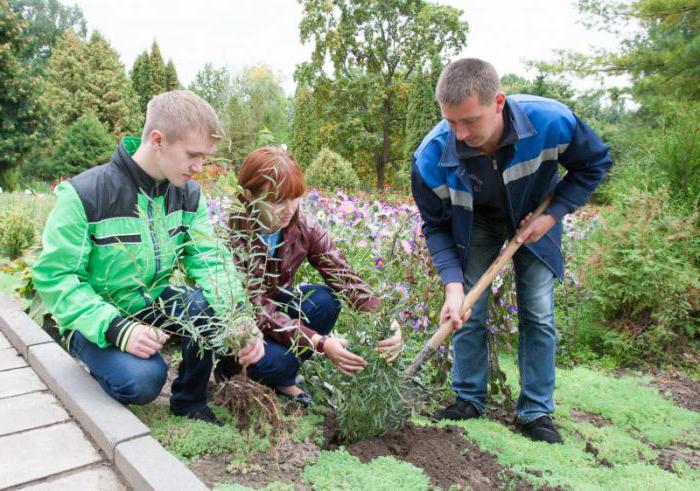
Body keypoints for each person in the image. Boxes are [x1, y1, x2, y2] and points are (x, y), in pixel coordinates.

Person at [33, 90, 264, 425]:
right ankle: (96, 356)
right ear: (158, 140)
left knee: (207, 306)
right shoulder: (84, 195)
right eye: (193, 155)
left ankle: (189, 401)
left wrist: (239, 318)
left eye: (204, 157)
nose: (199, 167)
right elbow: (57, 278)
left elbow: (212, 263)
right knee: (143, 380)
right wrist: (117, 330)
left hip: (151, 302)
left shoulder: (187, 196)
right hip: (97, 317)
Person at [411, 59, 612, 443]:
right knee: (467, 310)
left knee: (538, 313)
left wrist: (552, 216)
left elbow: (594, 163)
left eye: (470, 120)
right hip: (477, 223)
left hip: (534, 217)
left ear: (499, 102)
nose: (459, 132)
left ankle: (535, 411)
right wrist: (453, 287)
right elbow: (435, 225)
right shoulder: (431, 157)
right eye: (450, 121)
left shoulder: (551, 122)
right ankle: (468, 398)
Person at [216, 146, 402, 404]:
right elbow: (257, 307)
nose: (289, 209)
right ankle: (232, 371)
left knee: (326, 300)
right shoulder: (232, 236)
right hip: (243, 330)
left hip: (278, 320)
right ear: (248, 196)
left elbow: (343, 275)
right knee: (280, 362)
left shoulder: (302, 227)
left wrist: (385, 319)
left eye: (295, 198)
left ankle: (282, 375)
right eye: (277, 201)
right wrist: (319, 342)